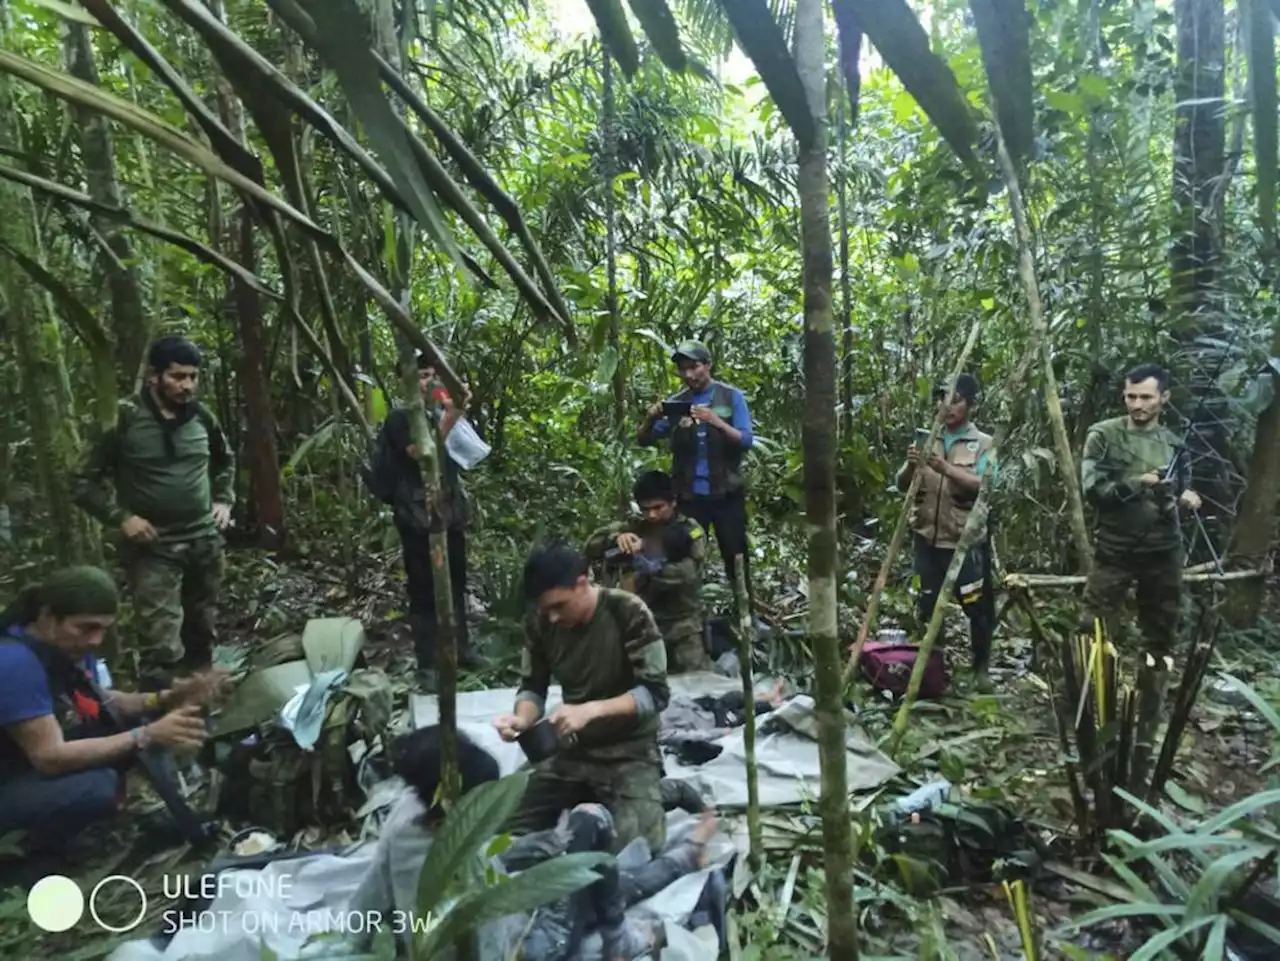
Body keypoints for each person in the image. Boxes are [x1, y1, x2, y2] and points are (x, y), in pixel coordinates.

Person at [359, 725, 723, 961]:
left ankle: (687, 856)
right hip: (531, 946)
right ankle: (623, 940)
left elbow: (368, 897)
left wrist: (545, 845)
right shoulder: (460, 858)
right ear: (459, 804)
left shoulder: (406, 818)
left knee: (593, 875)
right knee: (594, 839)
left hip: (508, 912)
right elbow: (490, 943)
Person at [0, 567, 221, 850]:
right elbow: (49, 757)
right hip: (13, 778)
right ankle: (32, 853)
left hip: (33, 762)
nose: (96, 640)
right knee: (96, 787)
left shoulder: (65, 646)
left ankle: (171, 806)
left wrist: (165, 697)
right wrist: (147, 734)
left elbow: (101, 700)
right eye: (86, 627)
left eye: (103, 629)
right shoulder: (14, 663)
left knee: (141, 724)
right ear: (47, 616)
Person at [75, 335, 234, 689]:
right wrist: (122, 518)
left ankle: (201, 716)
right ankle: (161, 726)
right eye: (178, 377)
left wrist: (223, 499)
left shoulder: (202, 418)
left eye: (193, 376)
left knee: (202, 633)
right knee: (161, 647)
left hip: (204, 543)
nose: (187, 385)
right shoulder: (124, 419)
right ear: (154, 376)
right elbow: (82, 481)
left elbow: (225, 461)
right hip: (154, 548)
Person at [494, 544, 670, 854]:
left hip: (629, 751)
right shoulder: (542, 621)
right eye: (545, 608)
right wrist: (522, 719)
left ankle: (666, 792)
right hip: (572, 751)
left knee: (638, 848)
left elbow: (654, 694)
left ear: (581, 583)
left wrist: (591, 711)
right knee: (498, 830)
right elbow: (533, 687)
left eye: (559, 606)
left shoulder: (627, 611)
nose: (552, 617)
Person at [1080, 362, 1201, 654]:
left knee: (1161, 635)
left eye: (1146, 397)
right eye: (1131, 397)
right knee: (1091, 628)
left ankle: (1150, 698)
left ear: (1164, 397)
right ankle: (1084, 696)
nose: (1137, 404)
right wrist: (1138, 483)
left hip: (1163, 550)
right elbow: (1092, 490)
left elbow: (1181, 493)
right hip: (1115, 547)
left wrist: (1188, 499)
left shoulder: (1174, 444)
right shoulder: (1104, 436)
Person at [381, 354, 481, 681]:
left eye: (434, 375)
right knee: (424, 589)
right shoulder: (400, 419)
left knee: (456, 582)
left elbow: (465, 454)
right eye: (423, 375)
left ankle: (461, 649)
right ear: (407, 381)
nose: (429, 382)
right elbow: (423, 455)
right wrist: (450, 417)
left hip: (448, 514)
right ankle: (427, 662)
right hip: (417, 518)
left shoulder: (438, 412)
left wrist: (457, 411)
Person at [896, 373, 998, 689]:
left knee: (977, 608)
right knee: (928, 607)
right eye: (943, 398)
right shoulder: (930, 438)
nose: (947, 406)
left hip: (964, 542)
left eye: (955, 400)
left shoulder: (983, 444)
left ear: (971, 405)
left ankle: (980, 669)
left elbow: (986, 486)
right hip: (926, 539)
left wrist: (944, 468)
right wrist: (913, 464)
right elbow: (902, 485)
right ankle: (934, 671)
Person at [637, 340, 755, 606]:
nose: (689, 374)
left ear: (708, 365)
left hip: (726, 495)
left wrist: (716, 422)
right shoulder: (677, 403)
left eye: (694, 367)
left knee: (735, 555)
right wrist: (651, 418)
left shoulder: (731, 397)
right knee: (684, 556)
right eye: (683, 369)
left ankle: (746, 613)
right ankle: (689, 612)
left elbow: (746, 440)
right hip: (689, 498)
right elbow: (645, 439)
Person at [585, 471, 711, 673]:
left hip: (682, 626)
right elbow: (591, 544)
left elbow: (689, 572)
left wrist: (649, 564)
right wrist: (618, 537)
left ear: (673, 502)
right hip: (642, 625)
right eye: (645, 509)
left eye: (658, 508)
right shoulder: (636, 526)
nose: (651, 515)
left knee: (698, 685)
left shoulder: (690, 531)